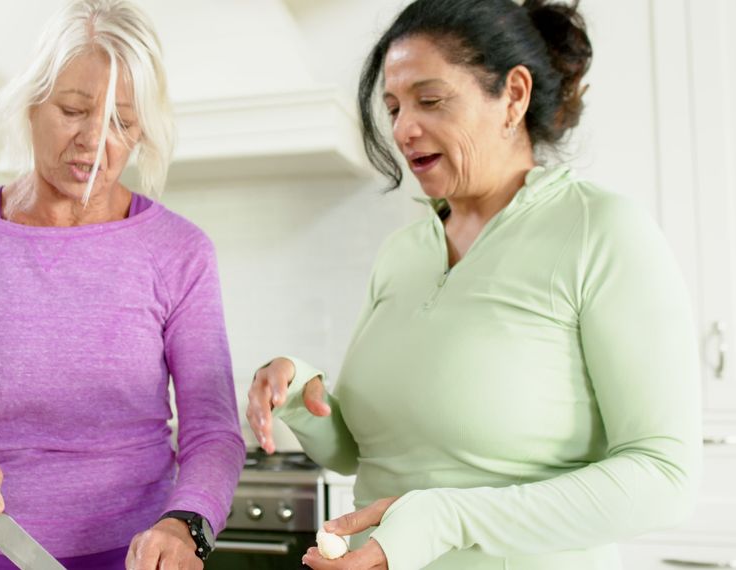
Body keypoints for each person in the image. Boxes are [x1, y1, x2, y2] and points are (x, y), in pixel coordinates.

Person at [246, 0, 701, 568]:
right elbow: (358, 452)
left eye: (430, 101)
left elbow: (664, 477)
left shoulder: (600, 231)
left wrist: (446, 518)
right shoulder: (404, 253)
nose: (404, 129)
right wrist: (295, 394)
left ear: (513, 95)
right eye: (392, 108)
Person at [0, 1, 245, 569]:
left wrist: (186, 524)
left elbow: (213, 431)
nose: (95, 140)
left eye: (122, 122)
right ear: (31, 102)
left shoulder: (180, 251)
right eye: (74, 110)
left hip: (134, 558)